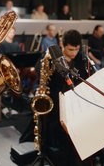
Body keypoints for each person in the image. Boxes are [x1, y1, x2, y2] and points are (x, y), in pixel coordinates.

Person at [33, 29, 89, 165]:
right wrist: (37, 90)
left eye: (77, 49)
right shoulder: (49, 58)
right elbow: (37, 82)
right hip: (55, 105)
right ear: (62, 45)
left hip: (76, 104)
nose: (74, 53)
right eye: (71, 50)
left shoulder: (81, 58)